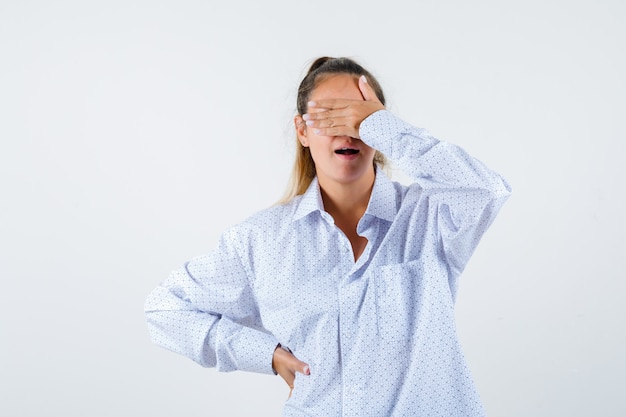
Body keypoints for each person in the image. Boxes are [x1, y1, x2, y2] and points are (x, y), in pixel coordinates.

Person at [145, 56, 511, 416]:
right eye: (329, 116)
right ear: (302, 131)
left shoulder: (430, 216)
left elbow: (487, 192)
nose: (347, 130)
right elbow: (166, 309)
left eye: (359, 116)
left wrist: (384, 128)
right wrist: (265, 354)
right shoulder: (260, 240)